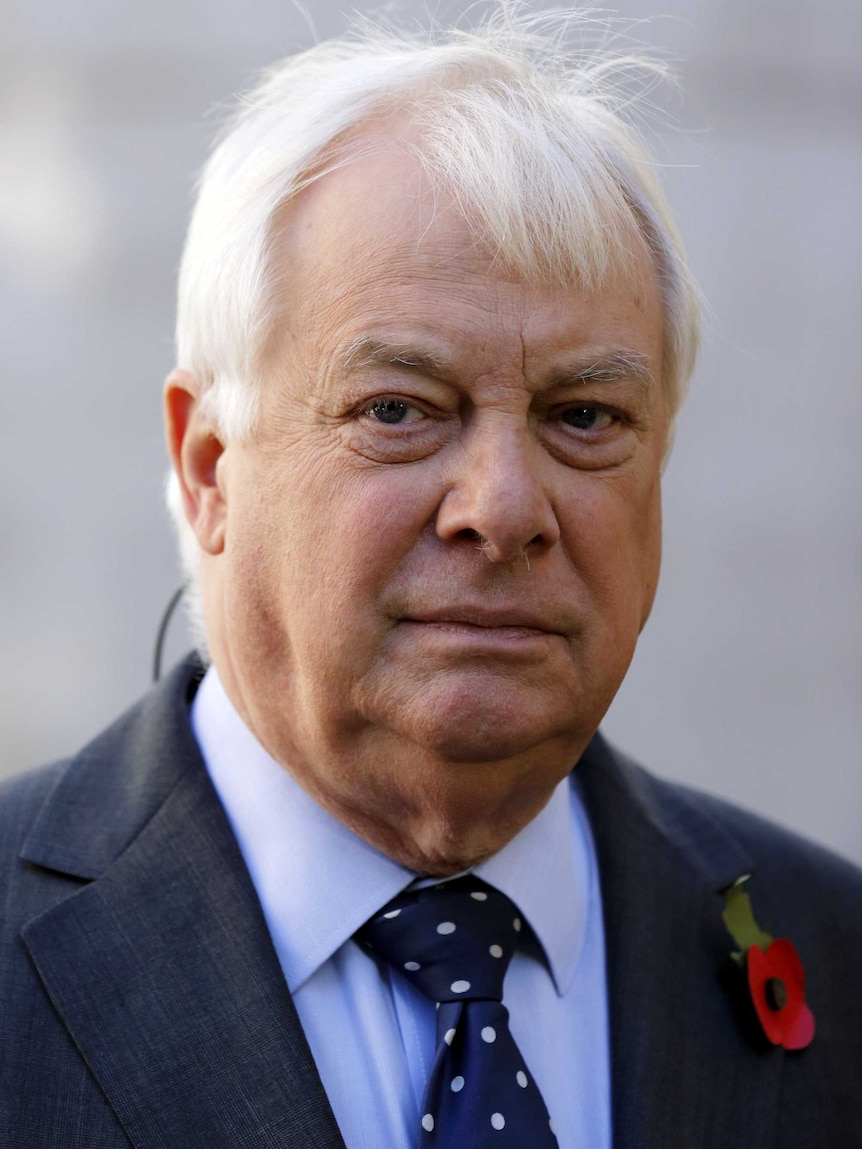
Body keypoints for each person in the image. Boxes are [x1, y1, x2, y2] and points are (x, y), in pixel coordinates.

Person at [1, 10, 860, 1148]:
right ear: (210, 471)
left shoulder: (833, 951)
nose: (502, 509)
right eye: (398, 410)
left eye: (584, 416)